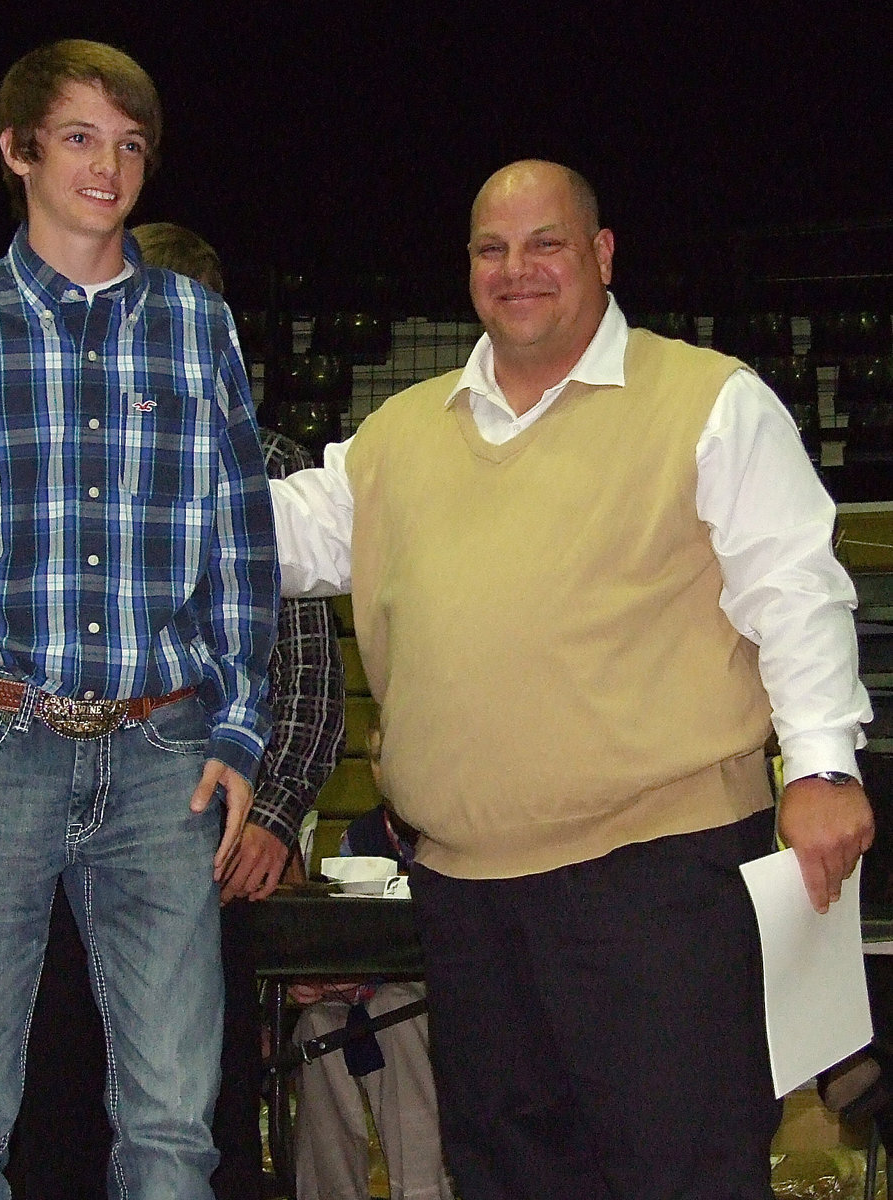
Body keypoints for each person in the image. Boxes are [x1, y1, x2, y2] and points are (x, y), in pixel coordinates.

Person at [269, 159, 876, 1199]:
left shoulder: (709, 399)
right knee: (506, 1176)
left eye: (544, 243)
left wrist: (821, 765)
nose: (516, 269)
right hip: (464, 893)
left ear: (600, 254)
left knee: (679, 1173)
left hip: (659, 877)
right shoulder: (398, 434)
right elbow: (269, 536)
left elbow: (793, 587)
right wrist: (116, 494)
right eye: (491, 249)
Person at [0, 39, 278, 1200]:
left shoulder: (197, 327)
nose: (107, 167)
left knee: (175, 1127)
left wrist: (238, 730)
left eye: (129, 145)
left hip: (164, 752)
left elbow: (240, 542)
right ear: (16, 151)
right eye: (78, 138)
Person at [7, 221, 345, 1200]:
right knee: (54, 1108)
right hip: (50, 843)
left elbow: (306, 678)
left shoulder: (268, 466)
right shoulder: (44, 458)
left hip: (197, 846)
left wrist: (272, 816)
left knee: (195, 1109)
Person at [291, 724, 452, 1200]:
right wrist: (319, 979)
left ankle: (421, 1191)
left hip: (441, 998)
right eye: (377, 759)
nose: (386, 770)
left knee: (392, 1012)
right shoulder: (358, 839)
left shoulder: (457, 835)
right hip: (367, 993)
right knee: (316, 1028)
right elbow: (341, 938)